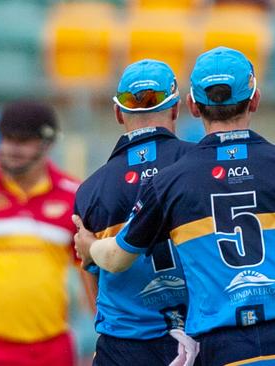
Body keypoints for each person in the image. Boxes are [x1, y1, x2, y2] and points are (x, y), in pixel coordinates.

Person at [73, 46, 275, 366]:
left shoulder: (170, 180)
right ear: (255, 100)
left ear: (193, 106)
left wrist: (89, 246)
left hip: (223, 347)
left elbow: (117, 258)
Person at [73, 59, 200, 366]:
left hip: (126, 347)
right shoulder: (200, 165)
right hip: (202, 338)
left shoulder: (91, 189)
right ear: (176, 109)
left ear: (118, 113)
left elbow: (93, 277)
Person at [0, 100, 82, 365]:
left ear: (48, 143)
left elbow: (89, 273)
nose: (12, 149)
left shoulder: (73, 195)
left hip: (52, 348)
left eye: (23, 140)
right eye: (7, 138)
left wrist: (104, 334)